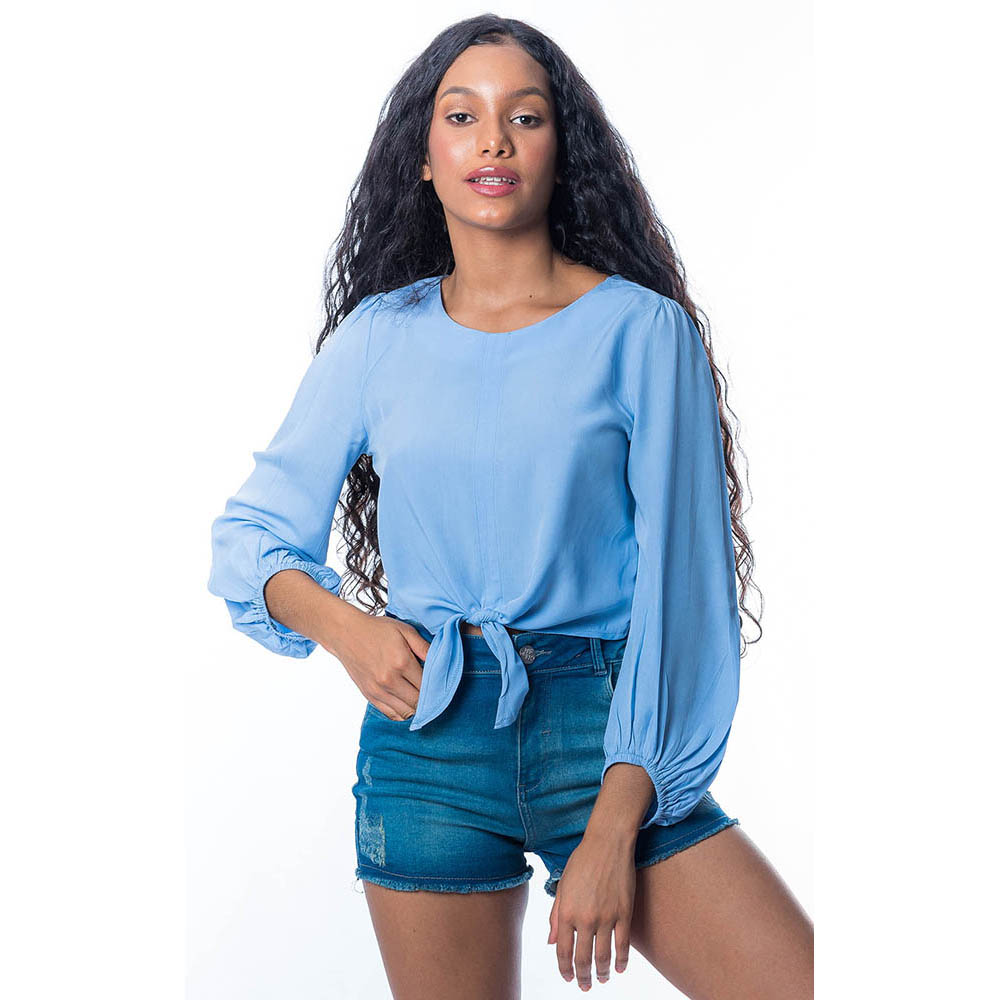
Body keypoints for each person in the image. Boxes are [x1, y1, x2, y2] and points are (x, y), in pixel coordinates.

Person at [207, 14, 813, 998]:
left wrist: (617, 819)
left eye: (524, 117)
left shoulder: (642, 333)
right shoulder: (378, 338)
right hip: (428, 746)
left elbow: (684, 596)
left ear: (560, 150)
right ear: (423, 157)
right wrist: (349, 630)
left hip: (608, 737)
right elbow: (249, 537)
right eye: (462, 116)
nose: (493, 140)